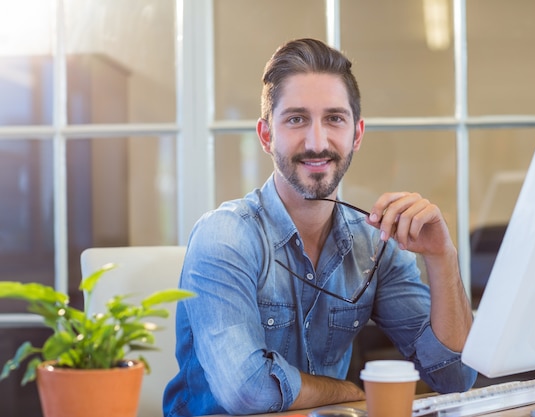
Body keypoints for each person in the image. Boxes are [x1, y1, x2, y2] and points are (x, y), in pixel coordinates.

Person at [163, 38, 477, 416]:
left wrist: (443, 257)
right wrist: (345, 391)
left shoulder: (373, 242)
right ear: (266, 136)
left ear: (356, 134)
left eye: (334, 119)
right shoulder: (225, 236)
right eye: (296, 119)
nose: (317, 142)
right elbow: (248, 393)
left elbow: (456, 377)